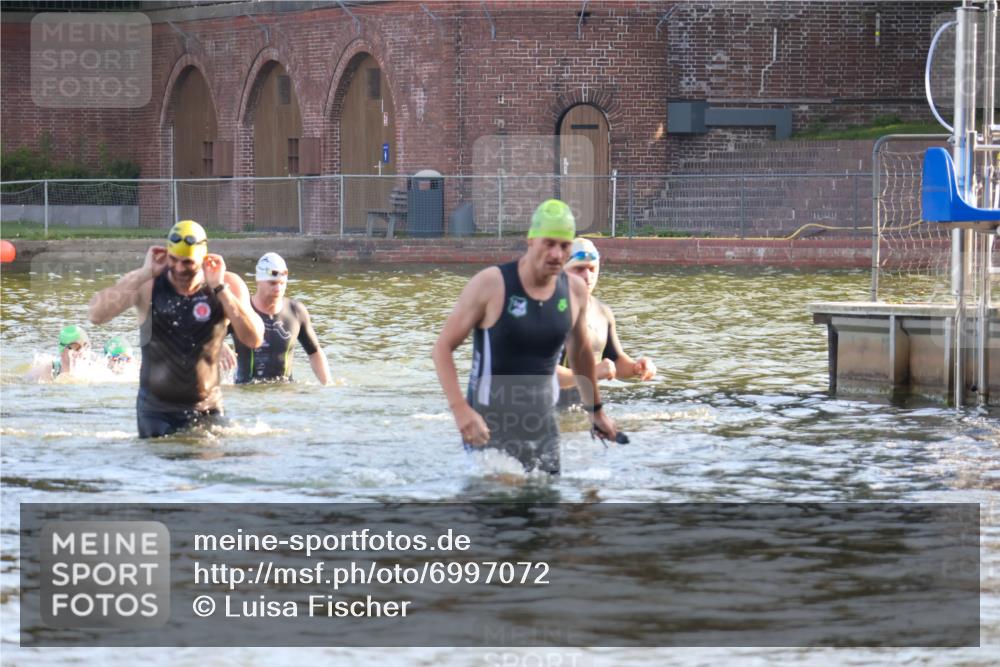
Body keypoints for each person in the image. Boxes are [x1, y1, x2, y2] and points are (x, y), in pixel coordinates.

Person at [432, 199, 617, 475]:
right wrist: (460, 410)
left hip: (542, 425)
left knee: (548, 498)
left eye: (564, 246)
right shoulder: (492, 284)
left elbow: (580, 355)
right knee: (505, 495)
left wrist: (596, 411)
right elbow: (442, 348)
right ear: (531, 240)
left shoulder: (574, 291)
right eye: (549, 243)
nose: (556, 254)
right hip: (488, 424)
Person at [88, 220, 264, 438]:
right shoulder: (148, 283)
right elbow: (96, 315)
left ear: (203, 258)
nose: (180, 268)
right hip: (157, 411)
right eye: (174, 260)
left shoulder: (226, 285)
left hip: (208, 408)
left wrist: (220, 289)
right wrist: (144, 273)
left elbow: (254, 339)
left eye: (188, 263)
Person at [556, 237, 656, 401]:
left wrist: (636, 367)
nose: (587, 276)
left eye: (592, 269)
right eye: (579, 269)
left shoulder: (602, 312)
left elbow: (615, 359)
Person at [219, 252, 330, 384]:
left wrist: (328, 385)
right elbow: (204, 338)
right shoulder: (242, 311)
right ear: (259, 281)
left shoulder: (296, 311)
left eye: (282, 283)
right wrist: (219, 345)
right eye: (272, 283)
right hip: (247, 389)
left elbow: (314, 352)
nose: (278, 288)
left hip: (284, 390)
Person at [23, 324, 92, 382]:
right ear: (62, 350)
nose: (82, 351)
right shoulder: (50, 370)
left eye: (86, 346)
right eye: (76, 347)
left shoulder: (91, 369)